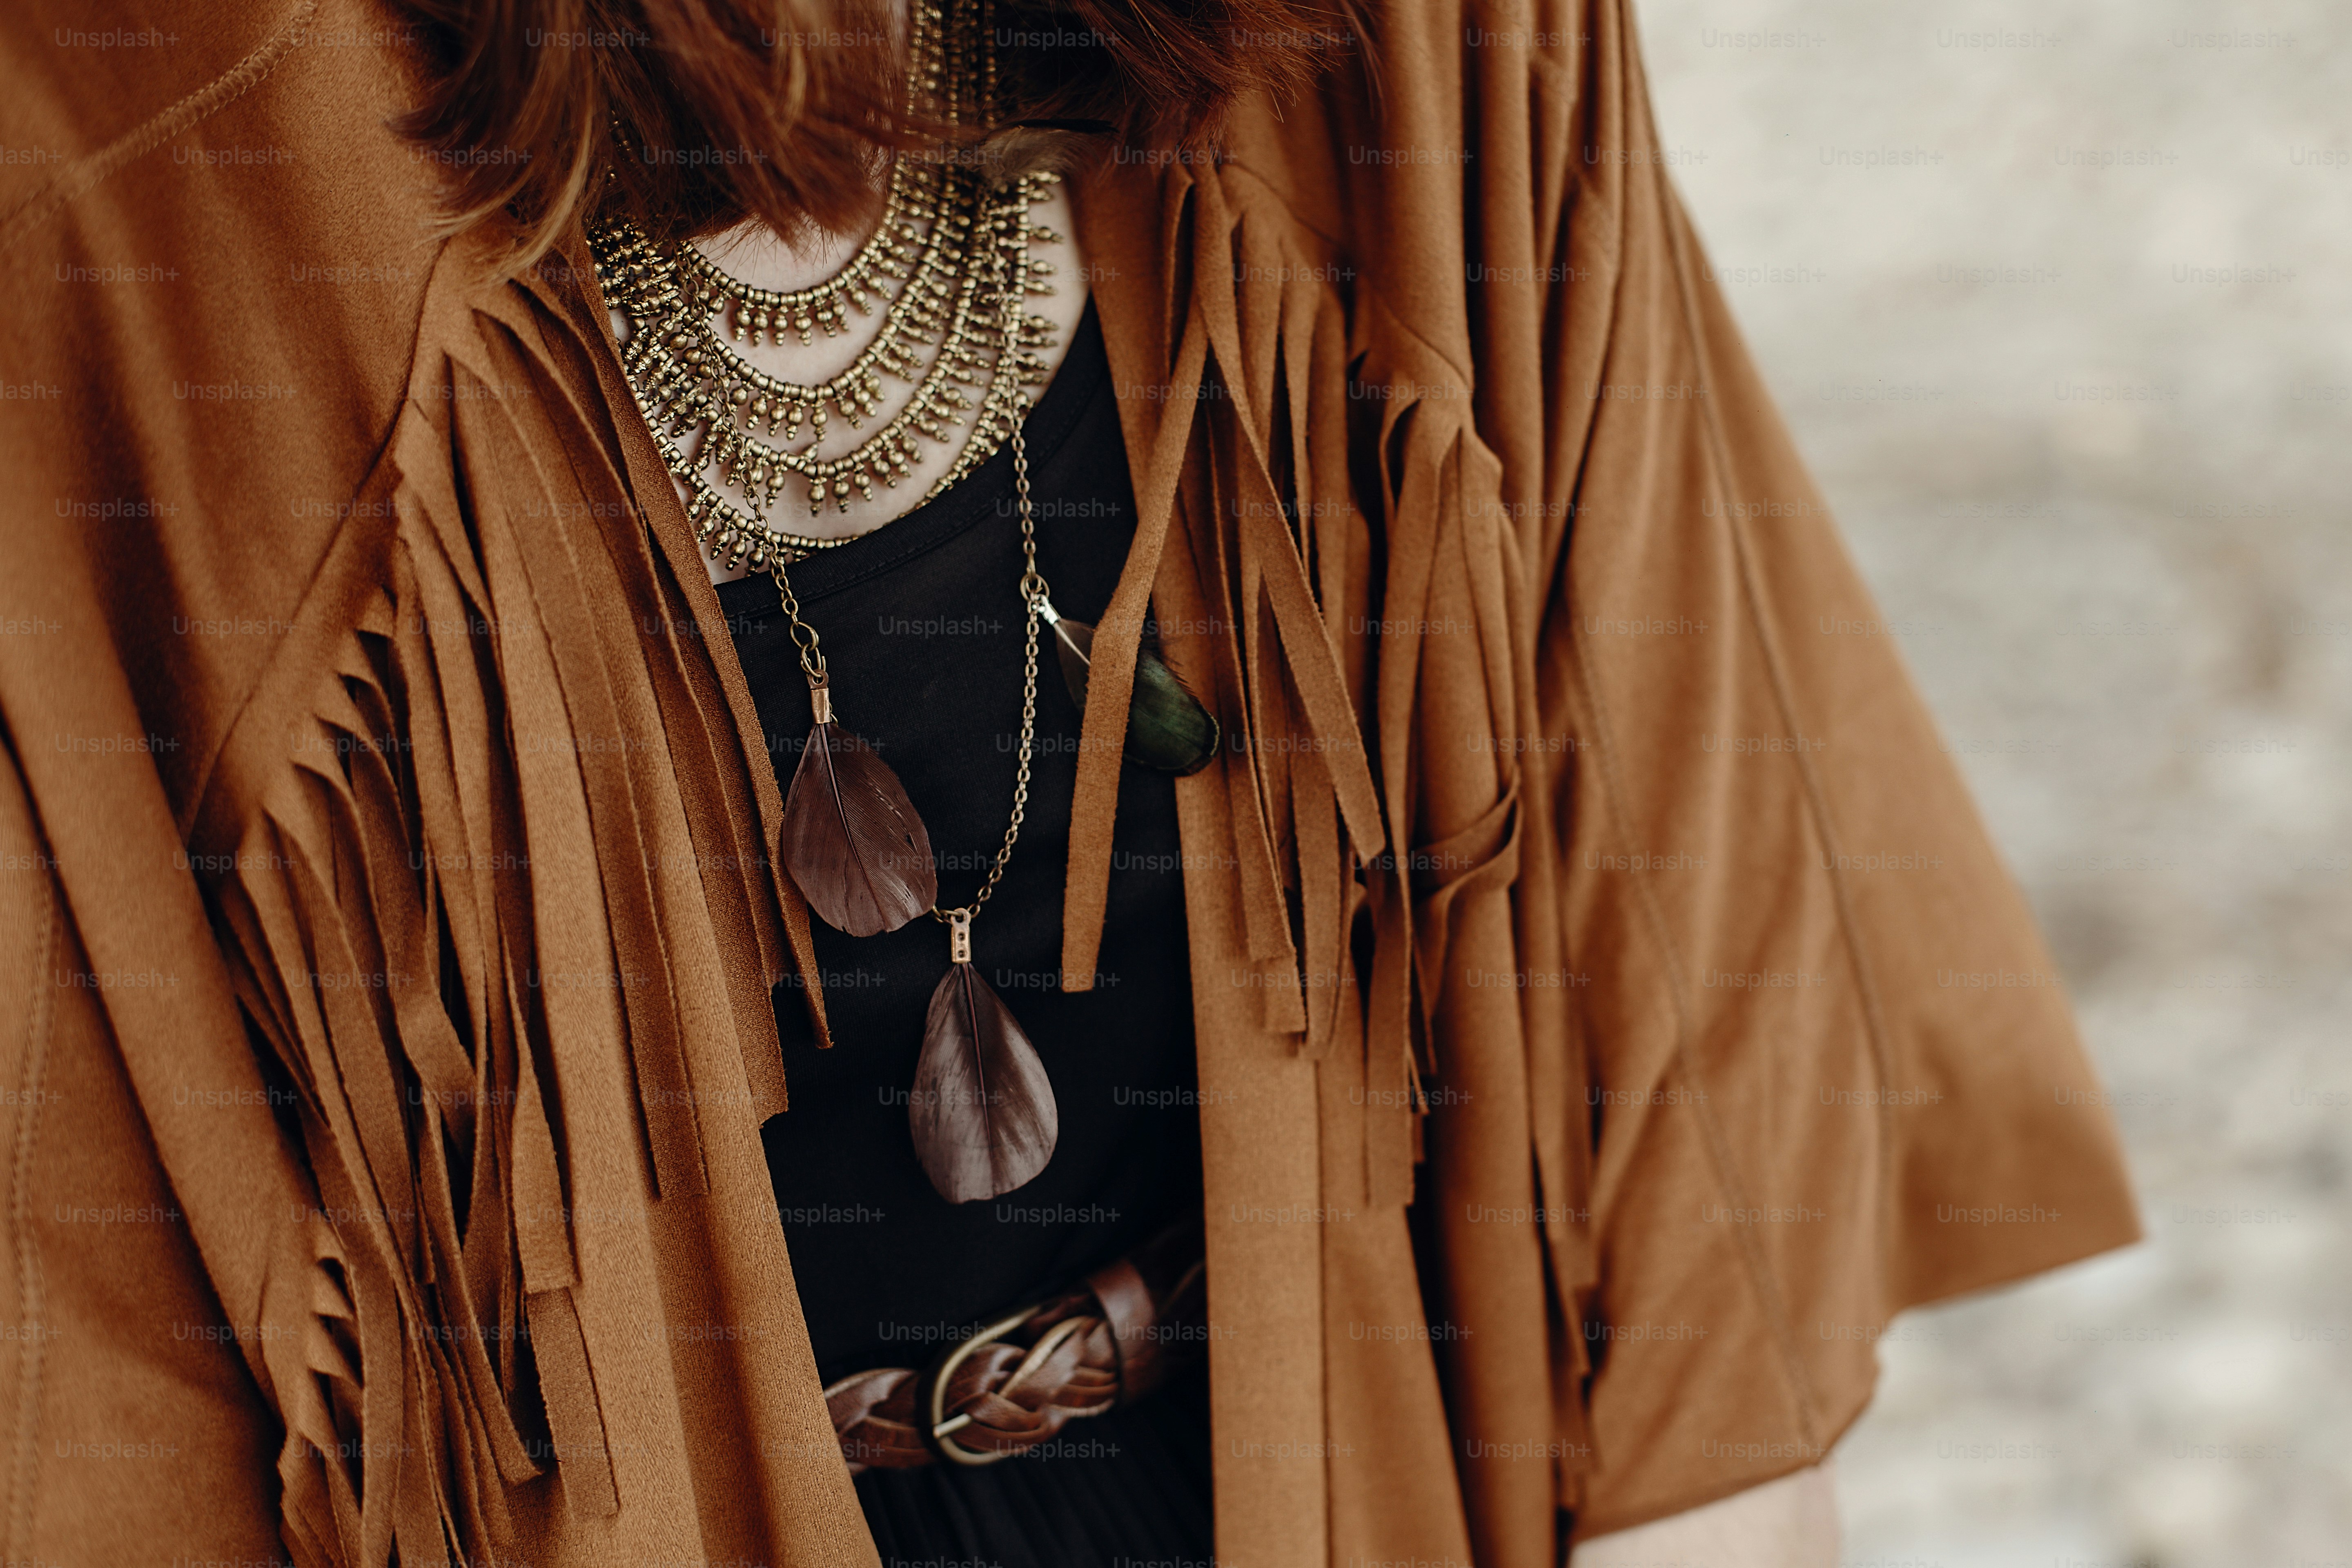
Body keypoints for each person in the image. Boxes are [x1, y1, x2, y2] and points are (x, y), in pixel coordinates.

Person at [0, 1, 2138, 1566]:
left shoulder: (1416, 54)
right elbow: (90, 1346)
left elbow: (1690, 1050)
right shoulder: (106, 161)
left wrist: (1711, 1493)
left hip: (1350, 1472)